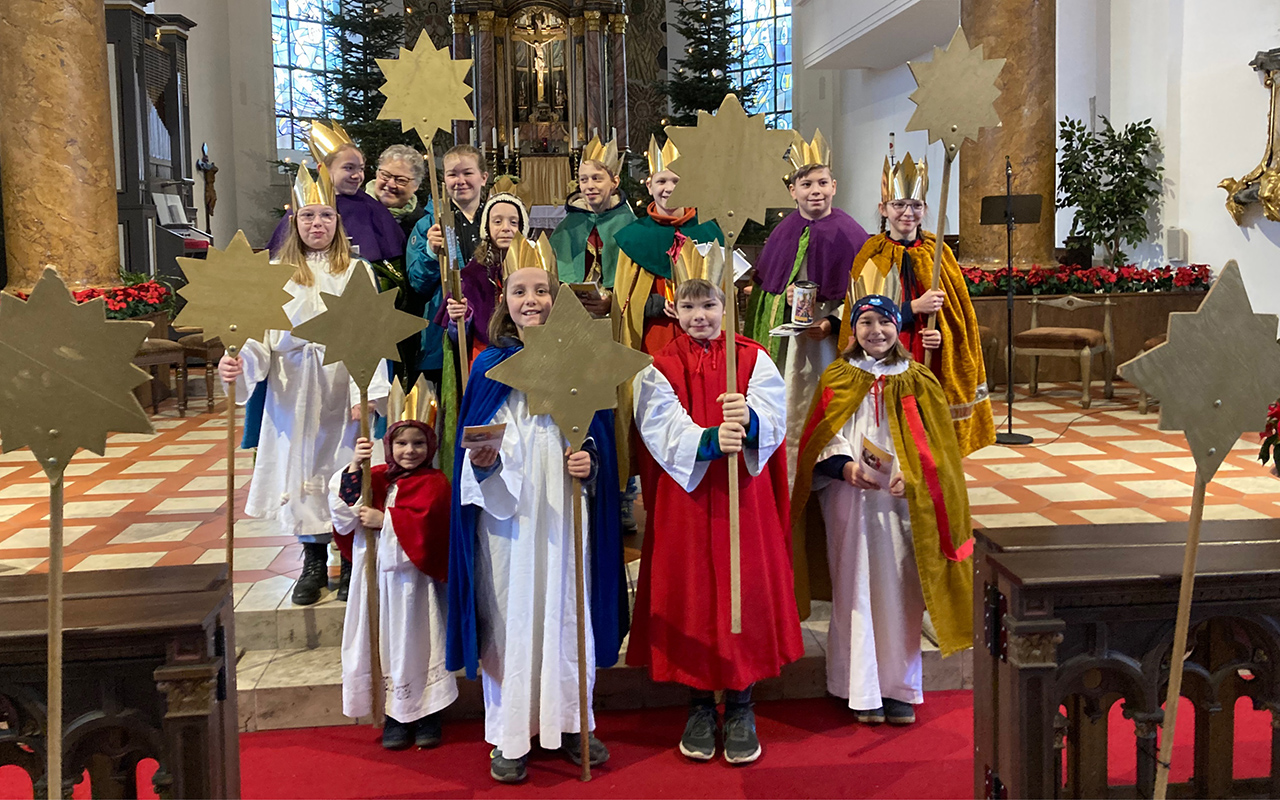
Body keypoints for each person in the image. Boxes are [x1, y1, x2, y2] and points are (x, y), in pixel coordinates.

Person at [445, 239, 628, 784]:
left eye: (542, 290)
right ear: (505, 299)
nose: (532, 300)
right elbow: (476, 442)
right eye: (521, 290)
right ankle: (510, 731)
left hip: (567, 511)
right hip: (510, 517)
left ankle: (574, 722)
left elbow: (599, 440)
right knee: (512, 613)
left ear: (558, 297)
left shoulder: (582, 362)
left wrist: (588, 465)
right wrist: (483, 461)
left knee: (568, 610)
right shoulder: (490, 364)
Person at [628, 250, 803, 765]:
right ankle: (701, 703)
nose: (699, 315)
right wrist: (707, 440)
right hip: (689, 496)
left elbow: (777, 412)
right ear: (674, 310)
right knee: (695, 593)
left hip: (742, 498)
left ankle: (742, 700)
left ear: (725, 307)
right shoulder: (660, 364)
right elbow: (657, 423)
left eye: (708, 304)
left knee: (741, 589)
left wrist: (748, 419)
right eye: (689, 306)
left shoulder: (751, 357)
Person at [791, 295, 973, 726]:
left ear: (897, 328)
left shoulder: (919, 379)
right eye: (865, 322)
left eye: (884, 322)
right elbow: (820, 433)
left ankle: (898, 688)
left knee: (901, 593)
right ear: (852, 330)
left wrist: (913, 474)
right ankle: (855, 687)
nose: (876, 331)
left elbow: (939, 447)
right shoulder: (838, 374)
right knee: (853, 589)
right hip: (849, 499)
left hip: (899, 502)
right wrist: (844, 465)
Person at [219, 164, 391, 606]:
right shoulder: (274, 272)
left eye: (326, 217)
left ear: (338, 223)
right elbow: (260, 338)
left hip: (341, 385)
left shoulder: (357, 272)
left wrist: (365, 393)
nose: (318, 225)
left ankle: (350, 558)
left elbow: (369, 337)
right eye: (308, 216)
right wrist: (240, 363)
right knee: (300, 472)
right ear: (294, 221)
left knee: (346, 468)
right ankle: (312, 559)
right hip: (292, 387)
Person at [843, 153, 994, 456]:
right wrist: (913, 308)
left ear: (925, 209)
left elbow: (958, 319)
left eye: (916, 205)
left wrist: (943, 337)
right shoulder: (872, 253)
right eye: (899, 205)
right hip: (890, 355)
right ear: (883, 209)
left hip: (930, 357)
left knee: (928, 441)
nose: (907, 213)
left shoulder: (938, 253)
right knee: (892, 436)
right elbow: (864, 316)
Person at [742, 130, 870, 486]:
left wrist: (831, 322)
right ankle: (789, 472)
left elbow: (863, 293)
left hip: (830, 342)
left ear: (834, 186)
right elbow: (768, 285)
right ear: (792, 190)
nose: (815, 190)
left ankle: (836, 467)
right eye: (806, 183)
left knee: (826, 403)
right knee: (791, 401)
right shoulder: (784, 231)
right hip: (791, 345)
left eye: (822, 182)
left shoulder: (851, 232)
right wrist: (776, 298)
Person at [330, 415, 456, 750]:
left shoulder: (435, 482)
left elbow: (431, 531)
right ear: (388, 446)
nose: (409, 451)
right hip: (373, 580)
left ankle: (428, 713)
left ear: (430, 447)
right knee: (382, 645)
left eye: (418, 444)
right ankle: (394, 716)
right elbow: (343, 515)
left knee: (416, 644)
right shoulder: (374, 478)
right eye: (401, 444)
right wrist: (355, 466)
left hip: (414, 586)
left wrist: (386, 521)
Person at [266, 121, 406, 263]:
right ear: (323, 169)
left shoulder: (374, 209)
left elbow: (391, 264)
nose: (357, 175)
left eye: (361, 169)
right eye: (349, 168)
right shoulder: (304, 206)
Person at [549, 135, 636, 317]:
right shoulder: (568, 226)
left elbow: (637, 280)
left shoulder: (629, 224)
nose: (589, 186)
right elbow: (552, 273)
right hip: (574, 314)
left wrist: (613, 301)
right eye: (583, 179)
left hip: (618, 314)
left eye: (597, 178)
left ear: (614, 182)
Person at [441, 192, 530, 360]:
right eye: (497, 221)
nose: (505, 228)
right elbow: (458, 336)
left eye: (513, 222)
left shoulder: (534, 269)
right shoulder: (473, 273)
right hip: (485, 356)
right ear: (487, 227)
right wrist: (458, 319)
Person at [369, 144, 427, 239]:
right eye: (385, 175)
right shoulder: (353, 211)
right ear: (376, 173)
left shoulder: (423, 226)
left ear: (416, 185)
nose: (391, 184)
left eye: (401, 180)